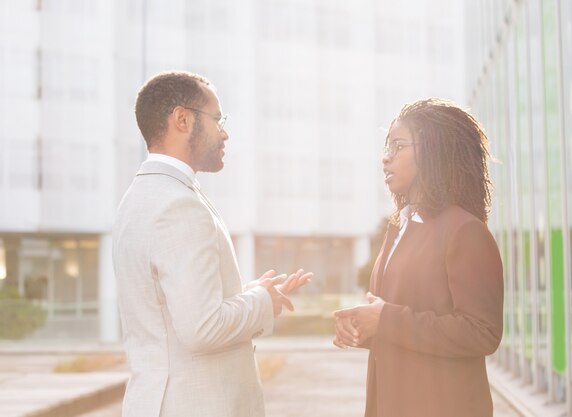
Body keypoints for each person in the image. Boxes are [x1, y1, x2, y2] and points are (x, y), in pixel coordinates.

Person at [112, 71, 312, 417]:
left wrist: (249, 292)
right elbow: (202, 329)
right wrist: (263, 301)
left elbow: (173, 309)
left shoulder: (139, 197)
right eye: (217, 119)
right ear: (182, 119)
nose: (225, 132)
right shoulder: (178, 205)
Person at [334, 98, 503, 417]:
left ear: (434, 150)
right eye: (387, 147)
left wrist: (385, 319)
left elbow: (482, 333)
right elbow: (407, 321)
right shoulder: (399, 227)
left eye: (398, 146)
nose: (386, 158)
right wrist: (367, 328)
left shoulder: (465, 231)